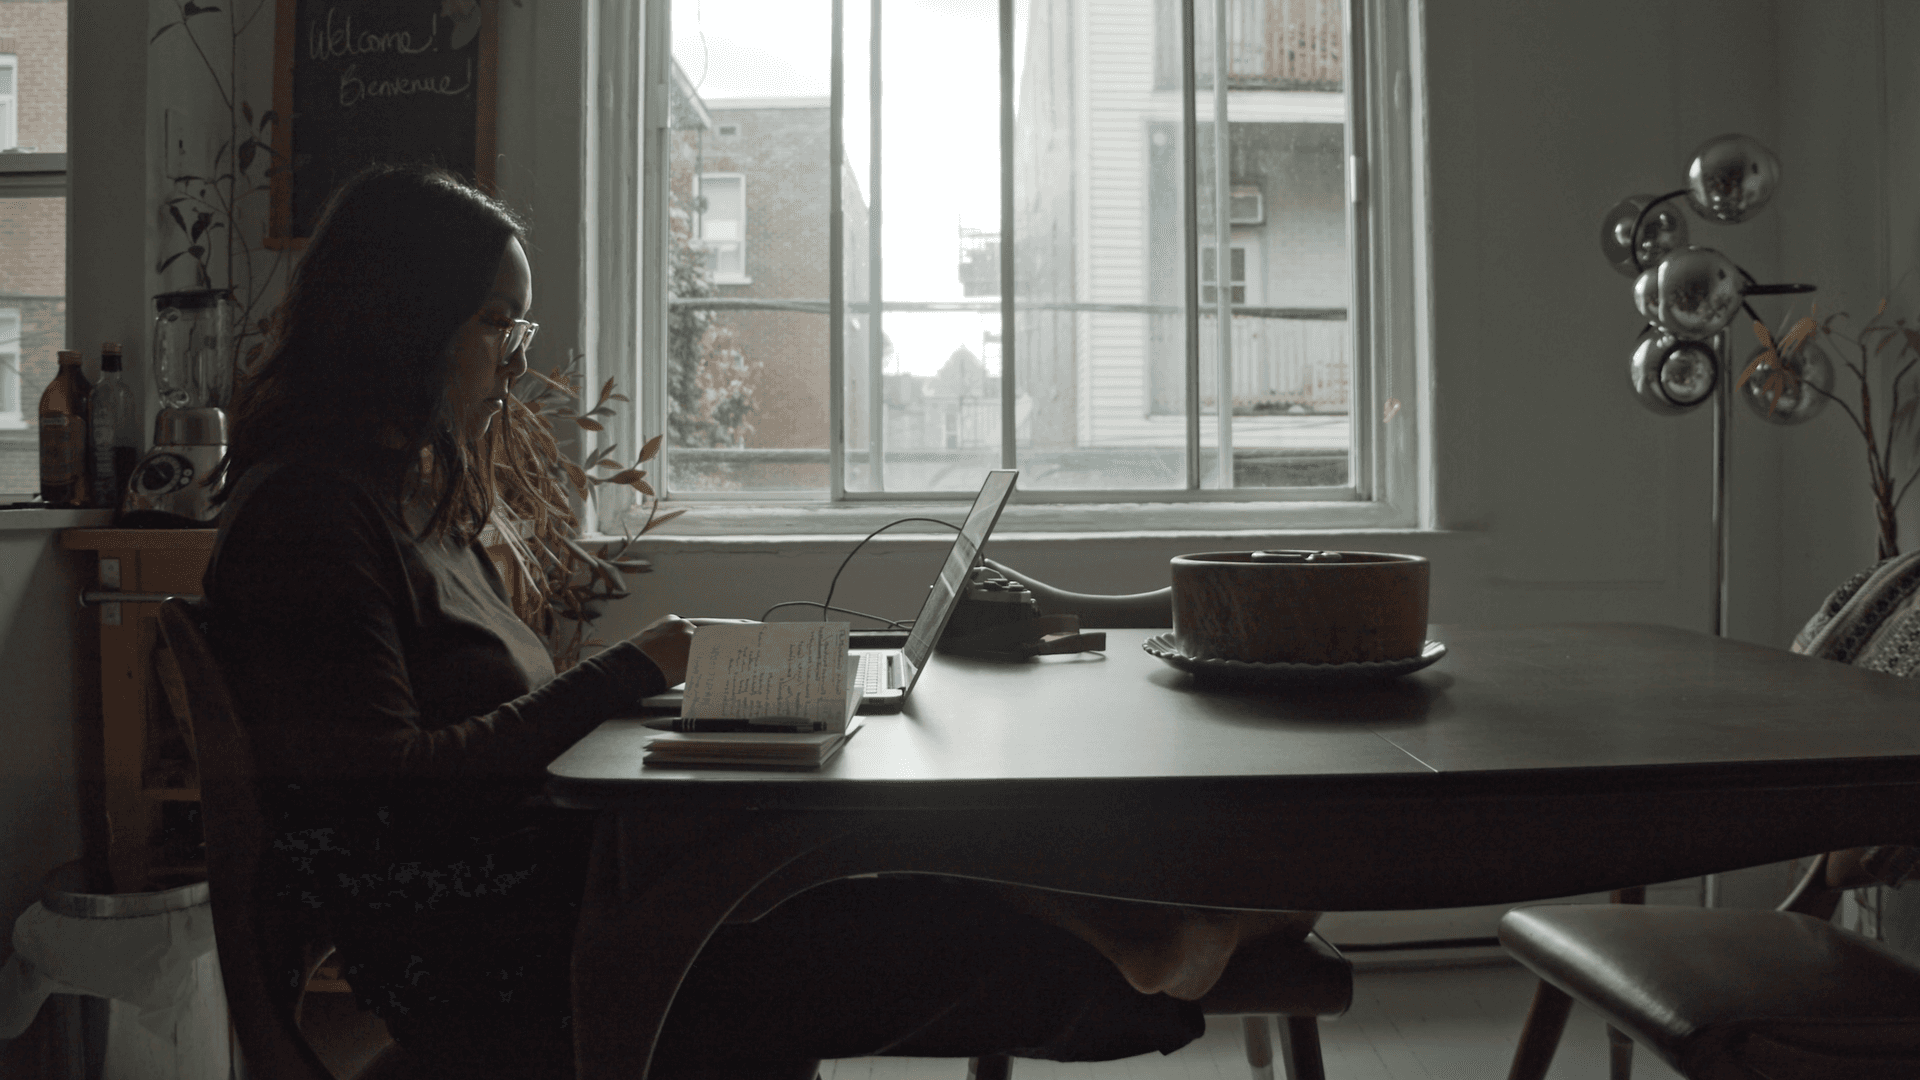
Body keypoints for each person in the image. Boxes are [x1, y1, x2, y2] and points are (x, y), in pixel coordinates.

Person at [203, 164, 1296, 1080]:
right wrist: (630, 670)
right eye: (498, 325)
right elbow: (390, 792)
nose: (519, 362)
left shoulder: (383, 500)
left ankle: (1142, 938)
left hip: (573, 910)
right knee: (911, 905)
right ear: (404, 321)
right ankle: (1148, 950)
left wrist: (664, 685)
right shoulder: (311, 518)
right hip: (534, 960)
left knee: (903, 860)